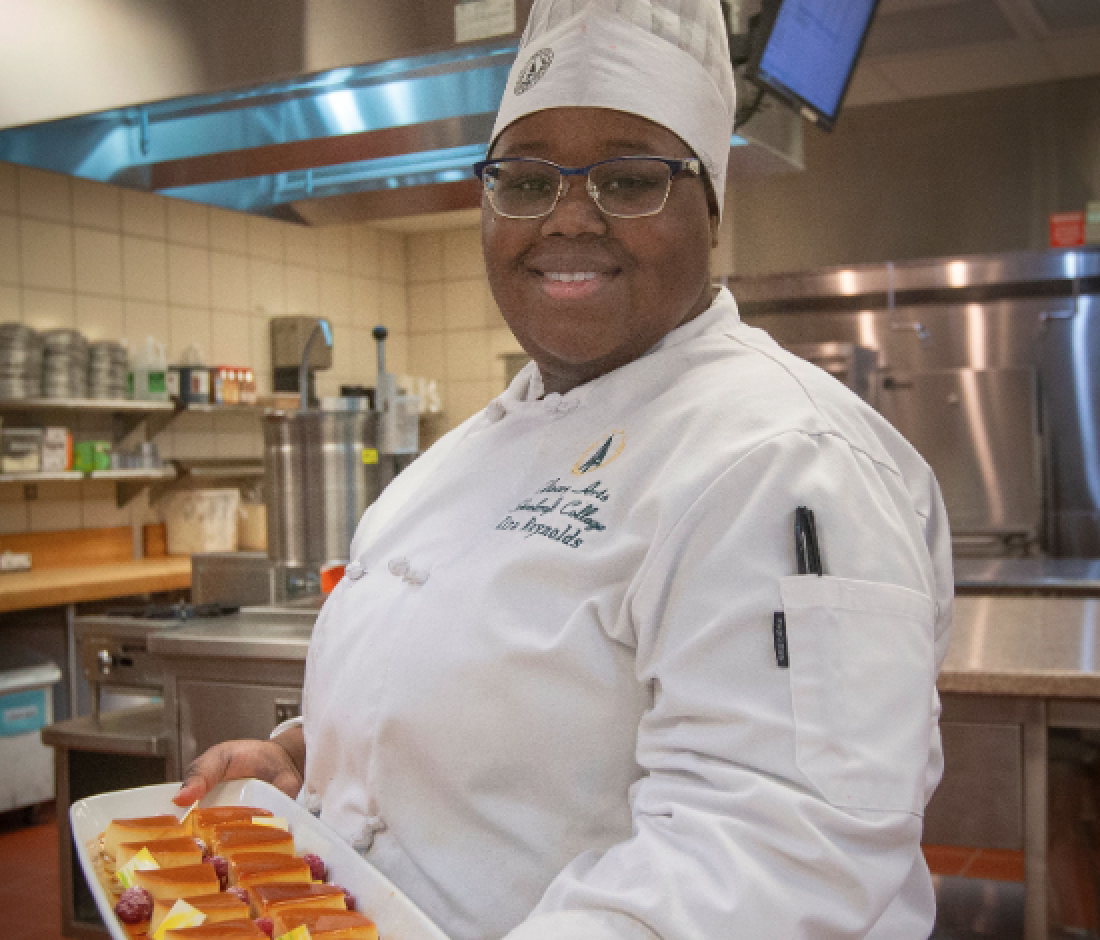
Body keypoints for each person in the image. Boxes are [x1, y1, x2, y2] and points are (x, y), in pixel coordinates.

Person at [176, 1, 954, 938]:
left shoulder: (786, 461)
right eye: (526, 179)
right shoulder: (454, 464)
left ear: (709, 204)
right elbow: (487, 709)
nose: (569, 218)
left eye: (630, 180)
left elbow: (773, 862)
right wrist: (315, 768)